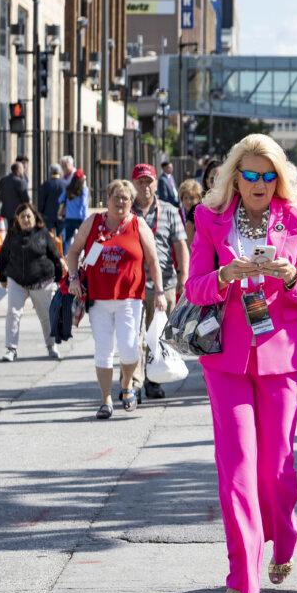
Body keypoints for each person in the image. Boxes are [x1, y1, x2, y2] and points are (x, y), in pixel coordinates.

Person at [185, 133, 297, 593]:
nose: (261, 183)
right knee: (238, 467)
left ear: (279, 179)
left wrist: (288, 274)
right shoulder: (208, 219)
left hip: (283, 354)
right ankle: (242, 574)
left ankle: (282, 539)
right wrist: (225, 276)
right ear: (235, 179)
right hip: (227, 359)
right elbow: (195, 288)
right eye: (251, 175)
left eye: (270, 175)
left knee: (275, 469)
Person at [66, 179, 166, 420]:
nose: (120, 202)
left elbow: (153, 261)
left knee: (130, 348)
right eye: (116, 197)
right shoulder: (93, 222)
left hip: (129, 298)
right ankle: (106, 399)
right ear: (107, 198)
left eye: (126, 198)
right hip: (98, 299)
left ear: (131, 202)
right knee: (103, 350)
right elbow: (73, 252)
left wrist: (160, 292)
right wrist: (73, 278)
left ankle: (127, 383)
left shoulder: (138, 224)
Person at [130, 164, 190, 401]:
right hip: (134, 285)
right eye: (140, 182)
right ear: (134, 184)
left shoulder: (169, 211)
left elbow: (180, 245)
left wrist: (184, 276)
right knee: (134, 337)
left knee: (160, 336)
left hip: (165, 284)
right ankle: (133, 382)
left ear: (156, 183)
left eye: (149, 181)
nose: (145, 186)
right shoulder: (128, 211)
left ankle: (154, 380)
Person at [0, 203, 65, 362]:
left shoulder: (43, 234)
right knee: (13, 313)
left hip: (42, 281)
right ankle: (11, 349)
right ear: (17, 220)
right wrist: (2, 278)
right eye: (22, 217)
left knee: (46, 316)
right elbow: (3, 257)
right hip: (17, 280)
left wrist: (58, 279)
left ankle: (51, 346)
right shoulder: (12, 235)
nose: (26, 219)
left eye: (29, 216)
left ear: (35, 217)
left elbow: (55, 256)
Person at [59, 170, 90, 253]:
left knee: (67, 240)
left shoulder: (68, 189)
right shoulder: (84, 189)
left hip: (69, 217)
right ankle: (86, 256)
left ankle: (65, 256)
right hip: (80, 218)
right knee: (86, 239)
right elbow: (84, 204)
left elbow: (60, 200)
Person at [38, 163, 67, 239]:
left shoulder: (46, 184)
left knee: (48, 237)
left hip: (48, 215)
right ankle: (61, 250)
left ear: (50, 172)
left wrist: (40, 213)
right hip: (61, 215)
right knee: (61, 237)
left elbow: (41, 201)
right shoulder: (64, 184)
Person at [0, 161, 31, 226]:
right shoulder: (20, 182)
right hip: (18, 212)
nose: (23, 171)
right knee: (18, 231)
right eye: (22, 169)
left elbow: (1, 197)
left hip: (6, 211)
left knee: (10, 229)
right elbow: (26, 199)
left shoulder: (3, 180)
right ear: (18, 170)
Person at [178, 178, 204, 248]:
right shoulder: (177, 214)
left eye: (192, 198)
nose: (188, 201)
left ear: (199, 199)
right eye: (185, 198)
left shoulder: (202, 216)